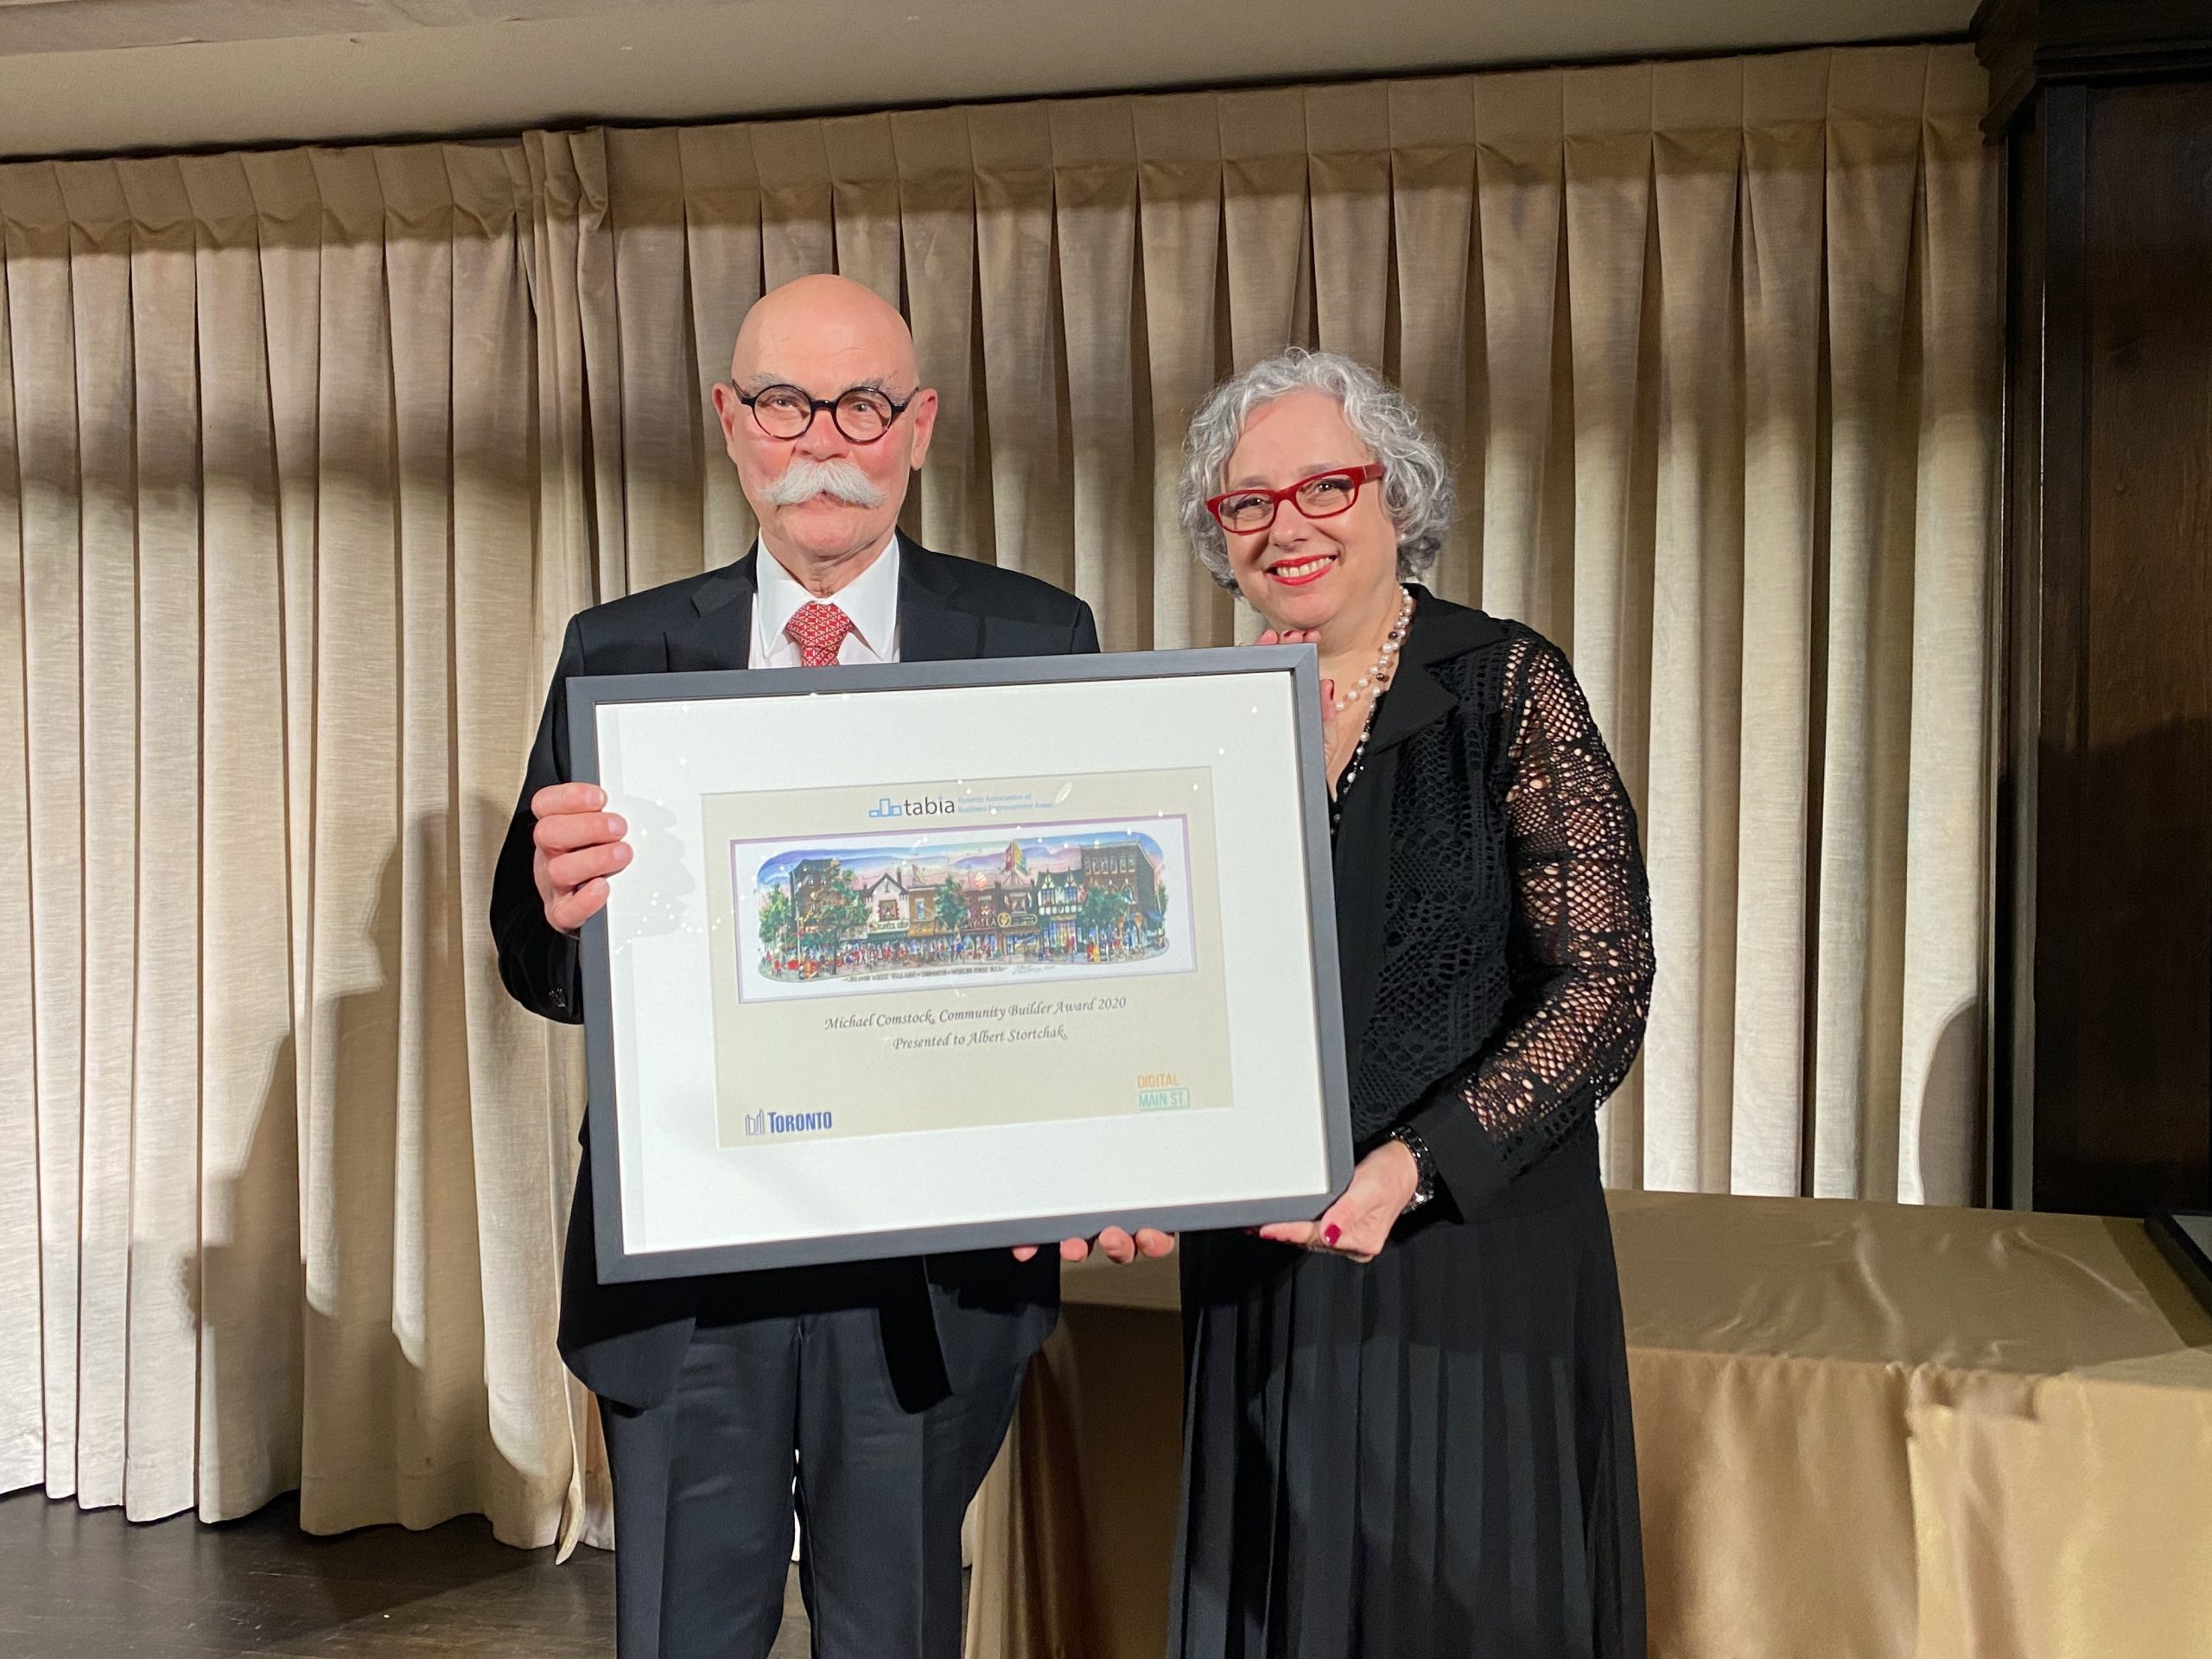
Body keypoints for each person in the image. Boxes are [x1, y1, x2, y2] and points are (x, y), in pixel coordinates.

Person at [489, 274, 1158, 1659]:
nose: (824, 443)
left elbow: (1084, 951)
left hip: (931, 1266)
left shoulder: (1036, 635)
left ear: (919, 426)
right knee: (682, 1633)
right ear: (733, 422)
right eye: (788, 403)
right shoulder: (619, 648)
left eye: (862, 406)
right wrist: (556, 912)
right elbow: (540, 964)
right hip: (688, 1260)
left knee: (895, 1629)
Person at [1166, 348, 1656, 1659]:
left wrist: (1414, 1164)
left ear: (1398, 495)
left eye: (1325, 486)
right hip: (1262, 1262)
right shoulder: (1198, 720)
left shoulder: (1506, 683)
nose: (1288, 525)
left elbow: (1605, 981)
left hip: (1465, 1254)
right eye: (1248, 502)